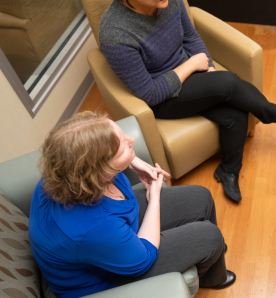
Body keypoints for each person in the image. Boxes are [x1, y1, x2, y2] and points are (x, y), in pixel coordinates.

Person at [89, 0, 276, 203]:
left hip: (191, 75)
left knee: (233, 112)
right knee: (229, 83)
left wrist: (207, 66)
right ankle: (275, 113)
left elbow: (190, 36)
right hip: (163, 97)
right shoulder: (115, 32)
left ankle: (229, 170)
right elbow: (148, 93)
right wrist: (193, 66)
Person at [29, 112, 234, 298]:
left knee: (200, 197)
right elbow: (143, 257)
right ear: (100, 171)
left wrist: (132, 160)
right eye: (123, 147)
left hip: (107, 235)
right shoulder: (90, 228)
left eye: (123, 136)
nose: (132, 139)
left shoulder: (65, 169)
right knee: (210, 237)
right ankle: (212, 275)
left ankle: (212, 265)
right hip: (107, 278)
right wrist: (154, 197)